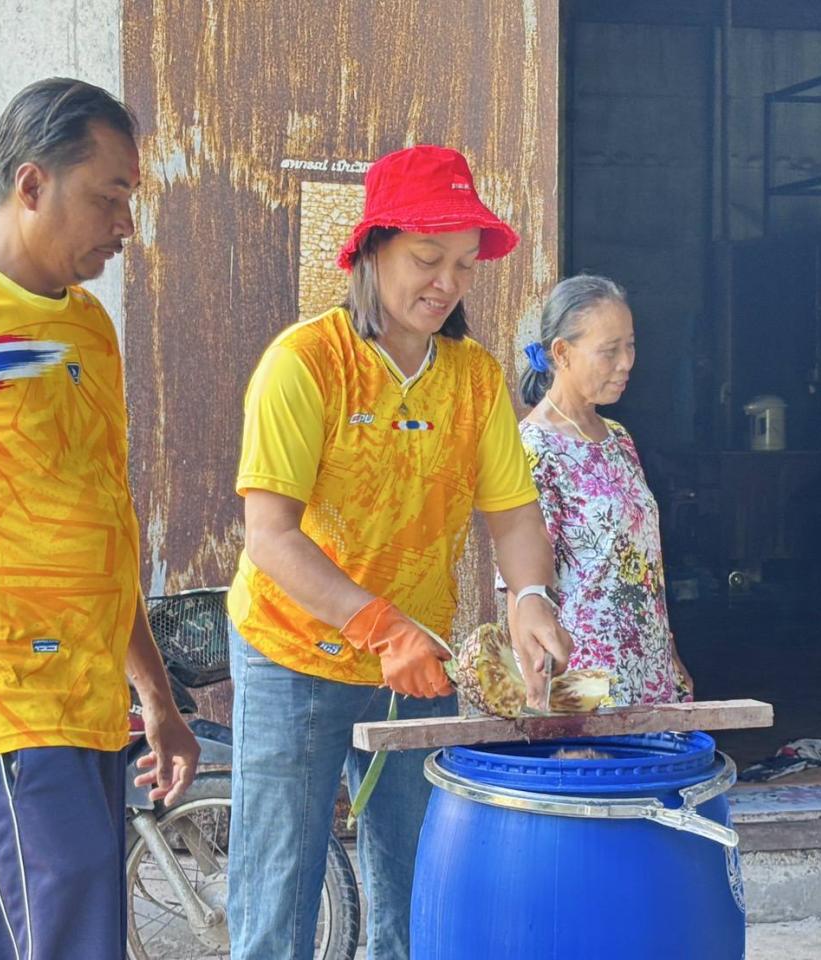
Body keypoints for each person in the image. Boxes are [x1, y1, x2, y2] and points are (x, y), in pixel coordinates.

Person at [226, 144, 572, 960]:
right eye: (426, 258)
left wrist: (530, 600)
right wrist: (380, 627)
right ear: (371, 248)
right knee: (279, 898)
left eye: (462, 263)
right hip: (295, 654)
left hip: (420, 662)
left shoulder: (476, 378)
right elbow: (270, 537)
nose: (446, 281)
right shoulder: (304, 362)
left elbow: (515, 516)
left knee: (415, 895)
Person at [0, 78, 198, 959]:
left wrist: (156, 696)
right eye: (109, 195)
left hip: (90, 711)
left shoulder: (90, 327)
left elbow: (101, 522)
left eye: (130, 198)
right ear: (31, 186)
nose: (126, 224)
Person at [515, 275, 693, 703]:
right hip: (586, 682)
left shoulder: (618, 438)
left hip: (650, 673)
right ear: (562, 352)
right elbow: (521, 579)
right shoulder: (535, 447)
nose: (626, 362)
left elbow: (640, 562)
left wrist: (670, 656)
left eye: (630, 345)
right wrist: (536, 685)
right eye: (609, 351)